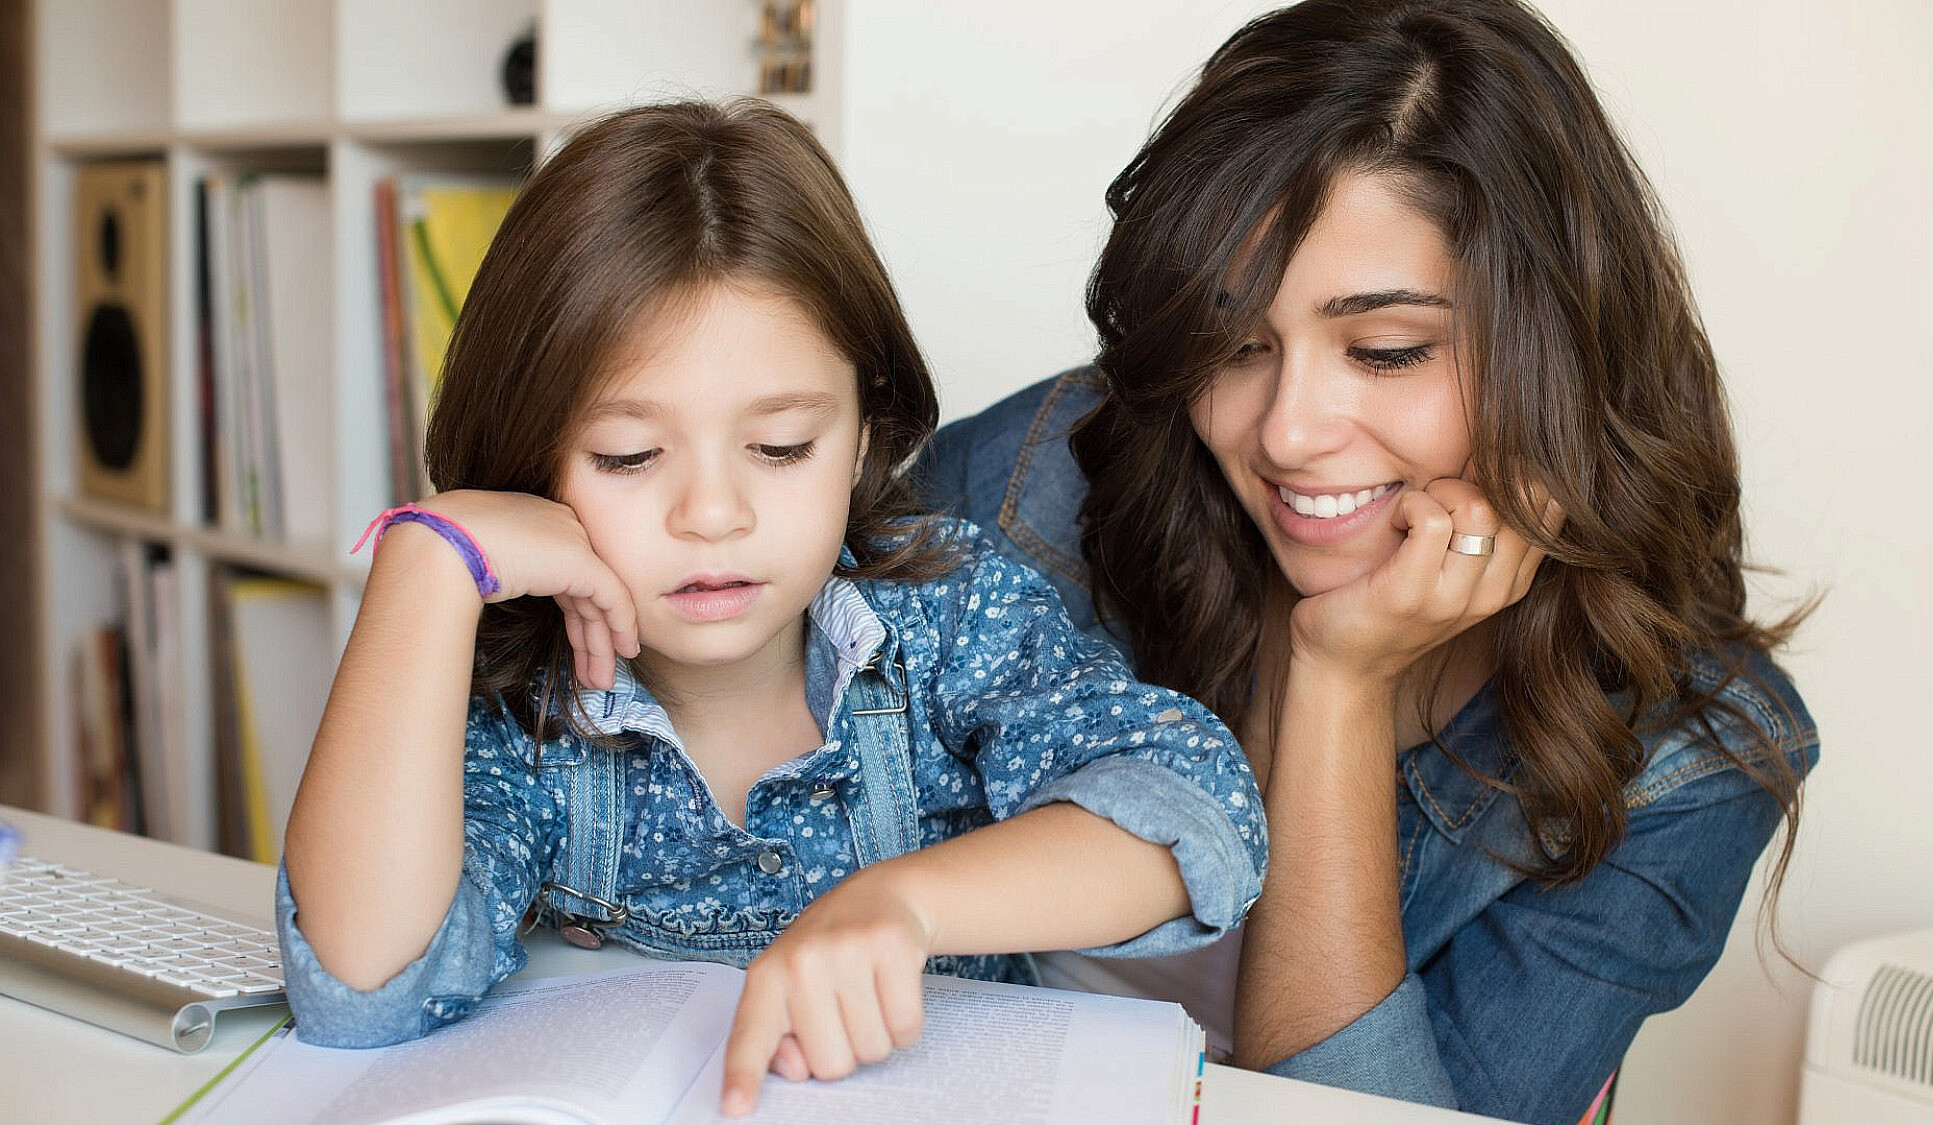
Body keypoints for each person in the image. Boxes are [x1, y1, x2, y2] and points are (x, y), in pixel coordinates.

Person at [919, 2, 1818, 1122]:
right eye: (1235, 342)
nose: (1287, 432)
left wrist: (1338, 690)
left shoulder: (1682, 766)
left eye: (1384, 351)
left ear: (1558, 348)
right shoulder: (1037, 488)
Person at [277, 101, 1266, 1118]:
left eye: (781, 446)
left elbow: (1197, 817)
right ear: (528, 462)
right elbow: (360, 986)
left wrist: (904, 903)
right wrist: (424, 561)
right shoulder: (525, 704)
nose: (713, 514)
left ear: (865, 434)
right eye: (627, 457)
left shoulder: (944, 612)